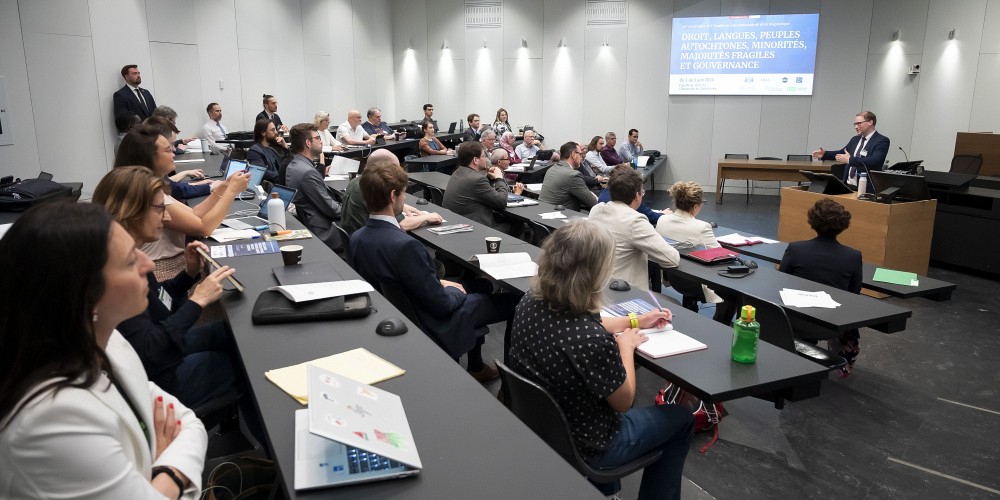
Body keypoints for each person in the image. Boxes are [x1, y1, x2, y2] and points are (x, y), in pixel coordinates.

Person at [0, 201, 207, 499]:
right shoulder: (50, 419)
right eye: (128, 262)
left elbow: (189, 422)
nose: (147, 265)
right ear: (85, 294)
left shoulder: (106, 341)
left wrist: (155, 473)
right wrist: (168, 471)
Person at [509, 219, 693, 500]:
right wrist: (626, 348)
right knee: (680, 419)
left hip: (545, 425)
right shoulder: (590, 340)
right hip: (592, 445)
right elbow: (623, 402)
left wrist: (636, 320)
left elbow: (591, 322)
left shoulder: (531, 301)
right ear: (592, 273)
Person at [349, 159, 518, 381]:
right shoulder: (406, 246)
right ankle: (510, 383)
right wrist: (456, 290)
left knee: (484, 283)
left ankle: (477, 366)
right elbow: (442, 305)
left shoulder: (357, 238)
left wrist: (440, 283)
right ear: (393, 196)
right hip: (434, 321)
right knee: (515, 301)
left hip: (404, 309)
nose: (405, 198)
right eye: (403, 193)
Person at [93, 167, 241, 408]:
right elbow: (152, 350)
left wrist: (189, 274)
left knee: (230, 333)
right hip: (156, 380)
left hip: (161, 351)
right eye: (159, 208)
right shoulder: (116, 275)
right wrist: (197, 302)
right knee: (242, 362)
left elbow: (160, 304)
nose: (168, 217)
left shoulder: (131, 255)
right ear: (131, 210)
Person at [114, 127, 250, 266]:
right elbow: (203, 227)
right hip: (166, 269)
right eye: (168, 150)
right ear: (147, 156)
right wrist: (231, 192)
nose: (174, 152)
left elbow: (194, 213)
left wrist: (224, 186)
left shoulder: (150, 186)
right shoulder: (148, 191)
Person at [779, 198, 863, 376]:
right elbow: (854, 294)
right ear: (843, 225)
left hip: (795, 322)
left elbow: (780, 285)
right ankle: (843, 362)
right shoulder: (853, 256)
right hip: (833, 325)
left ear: (812, 222)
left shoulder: (796, 249)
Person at [656, 181, 738, 324]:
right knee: (733, 292)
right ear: (695, 206)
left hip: (674, 277)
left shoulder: (662, 220)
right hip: (696, 283)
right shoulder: (702, 227)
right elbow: (721, 254)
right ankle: (720, 324)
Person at [589, 167, 679, 290]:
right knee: (675, 304)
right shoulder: (635, 221)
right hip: (625, 293)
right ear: (637, 195)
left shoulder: (597, 209)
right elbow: (671, 259)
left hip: (598, 286)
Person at [341, 149, 443, 234]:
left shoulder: (357, 182)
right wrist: (427, 217)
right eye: (394, 169)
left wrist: (399, 205)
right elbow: (402, 224)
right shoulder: (370, 188)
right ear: (382, 169)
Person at [283, 123, 345, 252]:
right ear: (308, 143)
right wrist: (350, 209)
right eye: (317, 138)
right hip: (325, 231)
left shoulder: (294, 165)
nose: (321, 141)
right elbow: (332, 210)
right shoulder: (307, 172)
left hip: (310, 224)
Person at [443, 141, 523, 233]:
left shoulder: (457, 172)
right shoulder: (477, 179)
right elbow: (501, 202)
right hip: (477, 229)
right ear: (475, 160)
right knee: (518, 222)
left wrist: (489, 177)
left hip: (459, 222)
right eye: (484, 156)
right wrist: (499, 178)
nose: (486, 159)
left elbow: (478, 191)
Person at [142, 116, 216, 200]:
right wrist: (216, 188)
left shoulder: (148, 172)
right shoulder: (148, 184)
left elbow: (170, 184)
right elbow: (177, 191)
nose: (174, 150)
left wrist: (197, 183)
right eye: (170, 145)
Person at [811, 111, 889, 191]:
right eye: (855, 124)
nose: (856, 127)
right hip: (848, 185)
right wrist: (824, 154)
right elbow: (842, 153)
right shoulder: (855, 139)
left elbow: (875, 160)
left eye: (859, 123)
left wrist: (850, 160)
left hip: (866, 188)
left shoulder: (881, 141)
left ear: (870, 122)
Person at [540, 141, 599, 211]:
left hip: (543, 213)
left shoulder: (551, 169)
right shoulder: (572, 175)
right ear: (573, 154)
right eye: (580, 154)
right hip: (563, 218)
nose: (581, 157)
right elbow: (593, 202)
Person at [247, 118, 287, 183]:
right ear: (263, 133)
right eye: (273, 130)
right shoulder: (254, 151)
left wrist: (285, 146)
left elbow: (285, 163)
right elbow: (262, 172)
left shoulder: (271, 149)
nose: (276, 133)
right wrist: (283, 177)